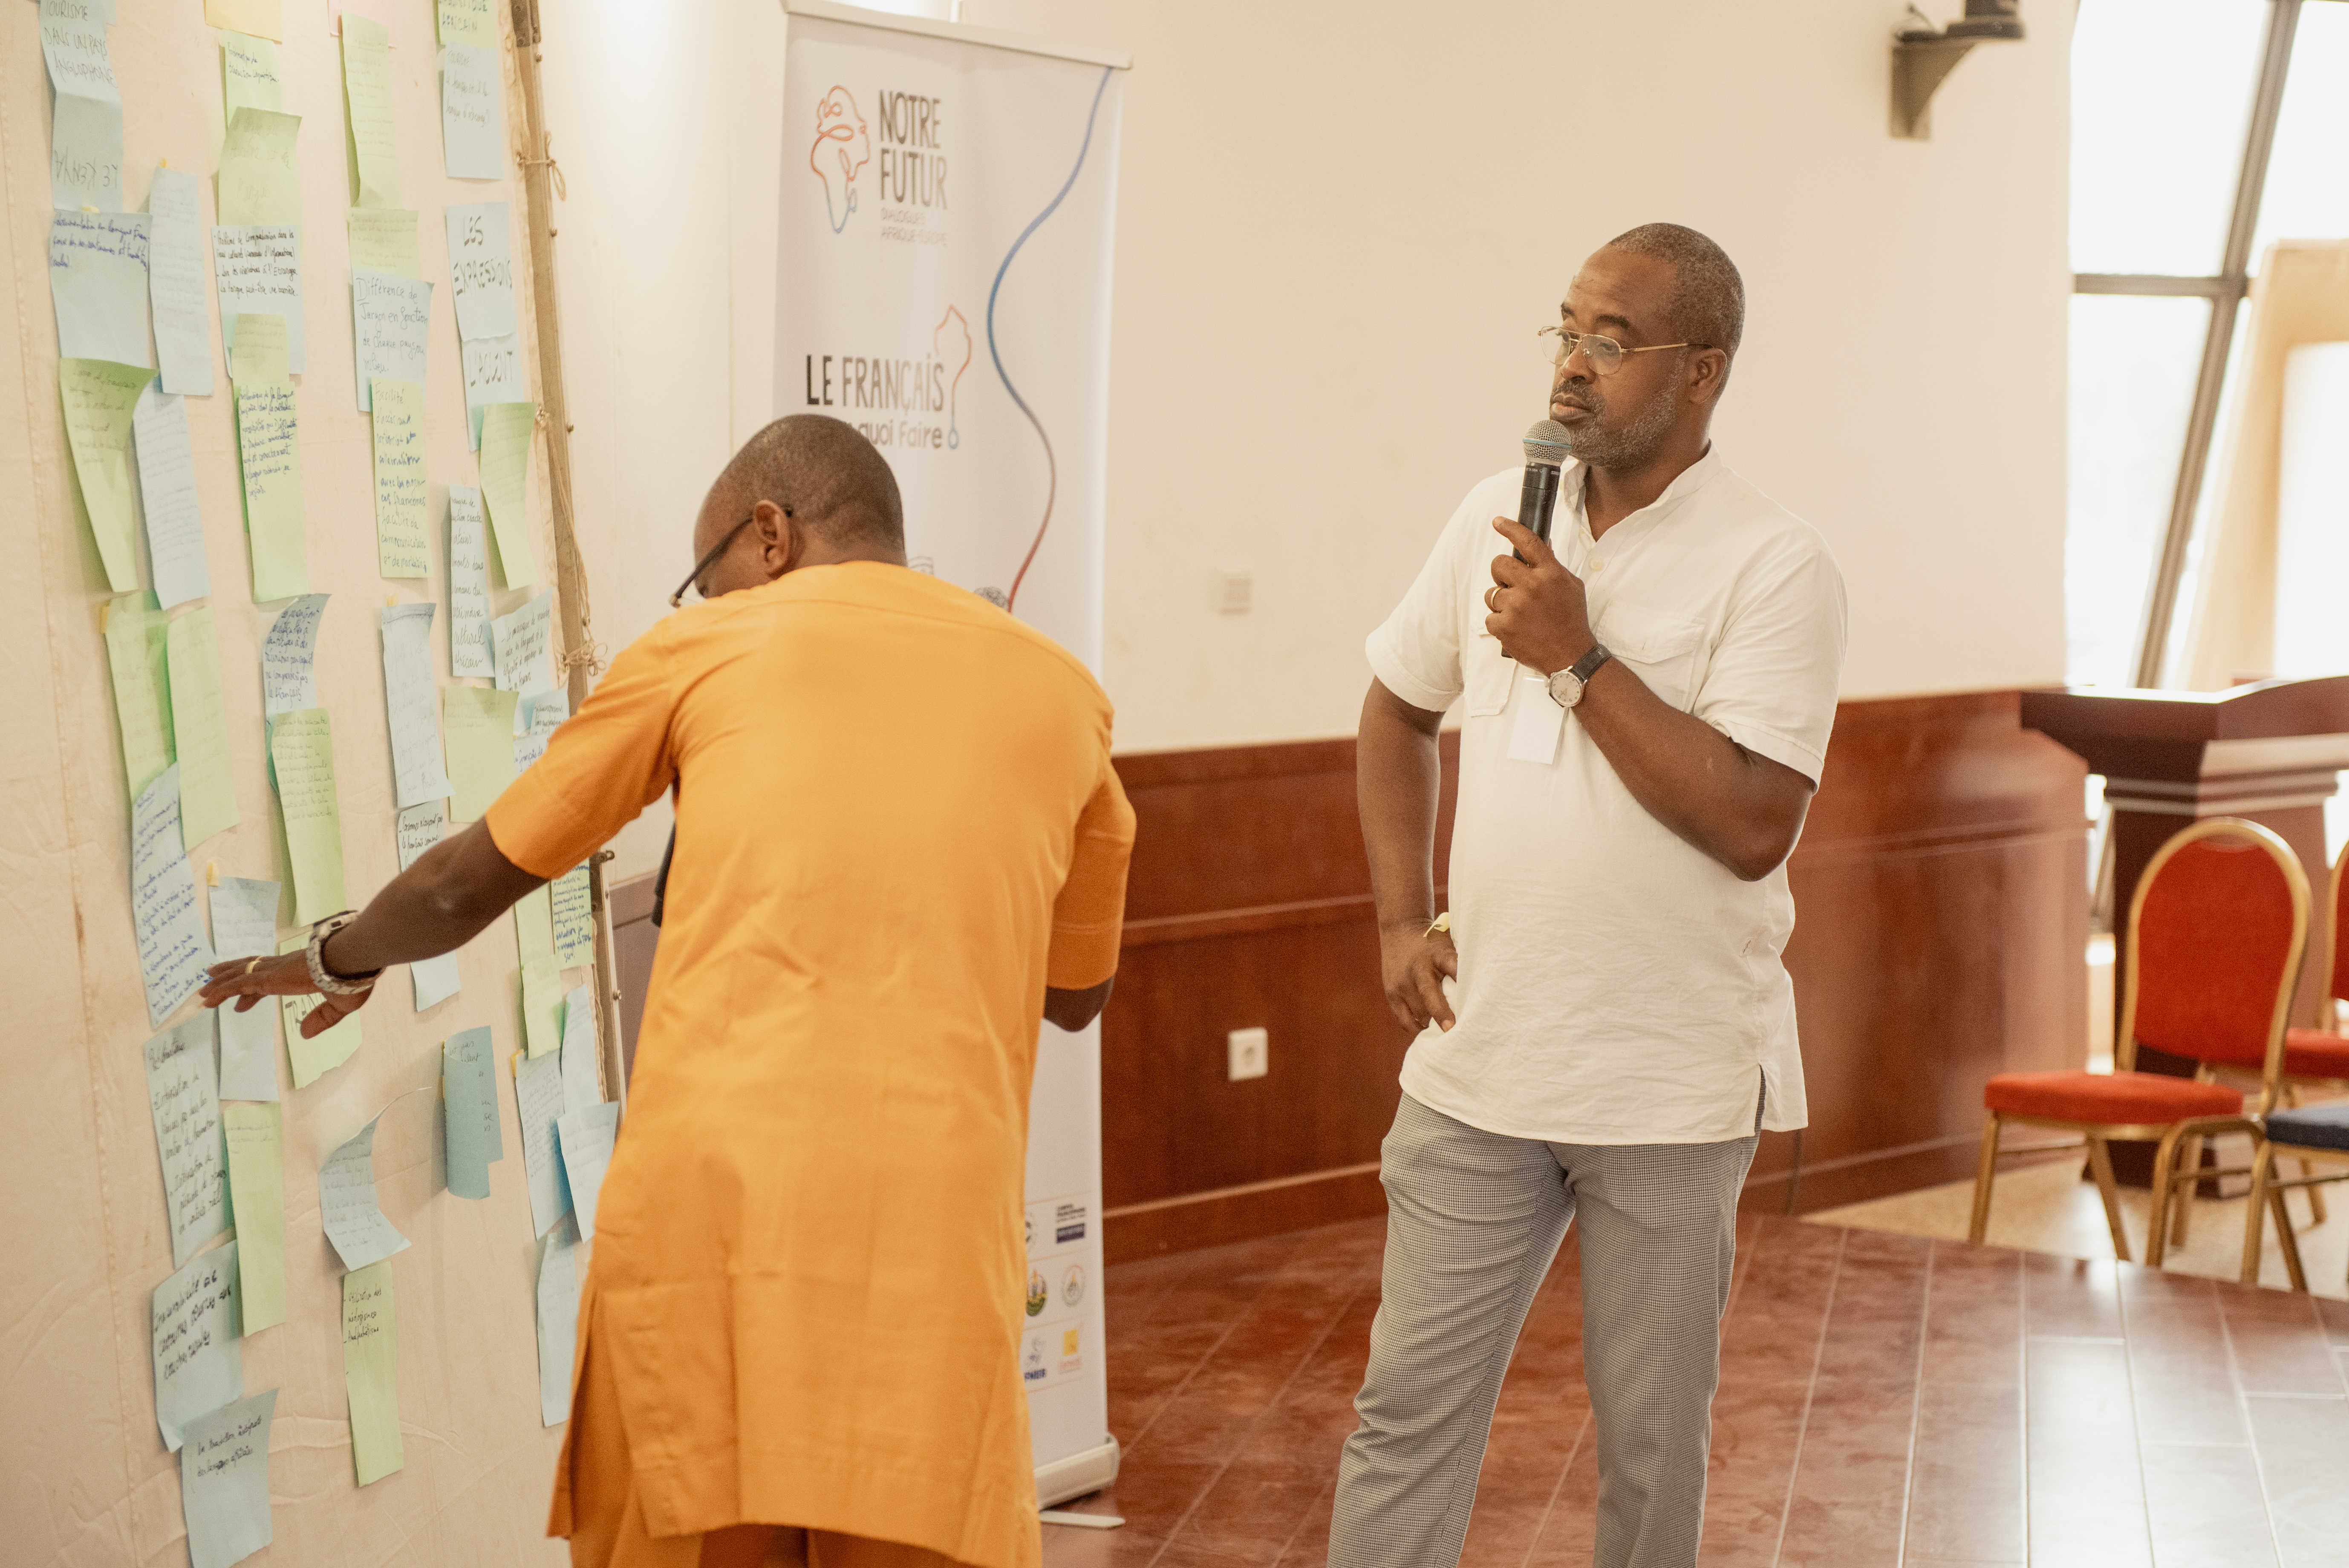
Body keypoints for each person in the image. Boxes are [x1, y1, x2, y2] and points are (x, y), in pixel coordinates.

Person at [201, 414, 1137, 1568]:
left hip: (710, 1244)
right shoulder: (1066, 697)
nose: (704, 601)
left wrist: (332, 958)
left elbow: (460, 886)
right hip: (933, 1252)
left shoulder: (705, 651)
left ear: (771, 534)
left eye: (707, 575)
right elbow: (1076, 995)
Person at [1327, 225, 1847, 1568]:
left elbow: (1752, 824)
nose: (1573, 364)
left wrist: (1577, 656)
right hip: (1481, 1067)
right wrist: (1397, 917)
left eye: (1612, 343)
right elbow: (1397, 710)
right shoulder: (1497, 515)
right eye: (1566, 330)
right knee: (1403, 1421)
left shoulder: (1777, 564)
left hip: (1666, 1088)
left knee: (1650, 1456)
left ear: (1703, 370)